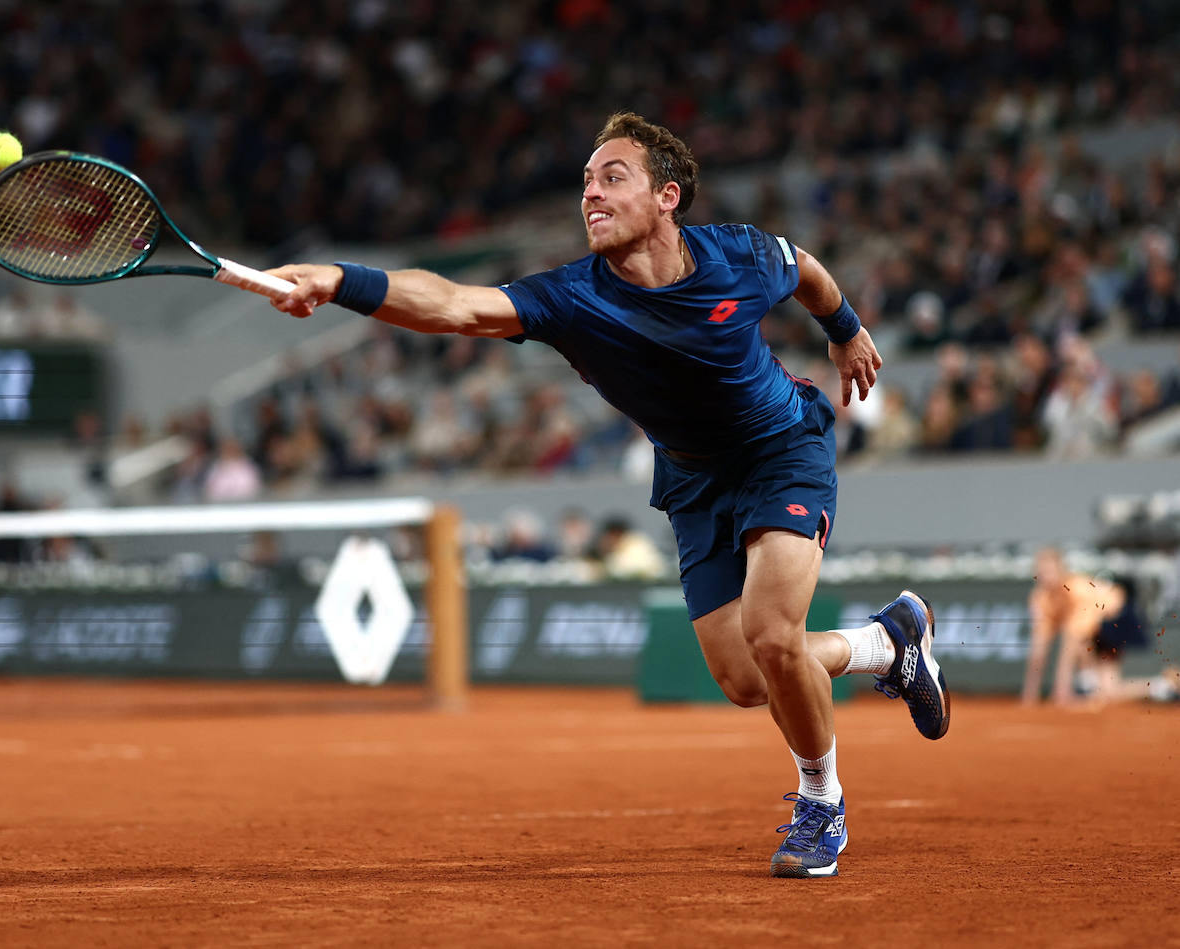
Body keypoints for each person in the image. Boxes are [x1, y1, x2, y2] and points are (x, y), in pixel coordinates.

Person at [260, 112, 949, 878]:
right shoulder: (571, 299)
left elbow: (808, 271)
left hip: (782, 449)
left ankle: (821, 804)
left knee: (773, 630)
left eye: (611, 177)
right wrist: (338, 280)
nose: (590, 193)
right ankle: (887, 645)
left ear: (667, 197)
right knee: (749, 679)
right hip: (691, 477)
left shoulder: (740, 254)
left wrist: (846, 328)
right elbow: (455, 303)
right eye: (585, 182)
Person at [1022, 547, 1131, 707]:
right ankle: (1161, 687)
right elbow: (1039, 649)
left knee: (1077, 643)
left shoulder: (1077, 591)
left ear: (1061, 570)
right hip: (1095, 628)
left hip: (1116, 617)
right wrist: (1029, 696)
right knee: (1110, 691)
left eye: (1050, 571)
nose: (1046, 576)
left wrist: (1060, 691)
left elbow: (1072, 640)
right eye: (1041, 571)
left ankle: (1074, 690)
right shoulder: (1040, 598)